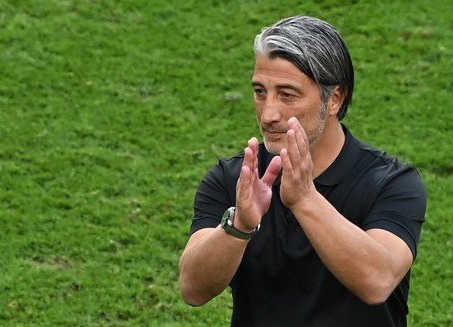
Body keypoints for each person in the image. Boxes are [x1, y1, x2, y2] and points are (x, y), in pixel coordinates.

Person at [179, 15, 426, 327]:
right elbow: (193, 289)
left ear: (334, 98)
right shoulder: (234, 179)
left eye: (287, 95)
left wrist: (305, 199)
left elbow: (377, 280)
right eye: (259, 91)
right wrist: (239, 225)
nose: (268, 113)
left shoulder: (390, 183)